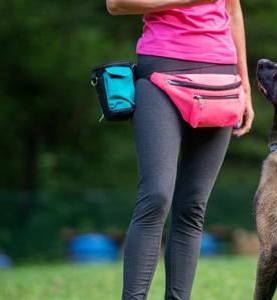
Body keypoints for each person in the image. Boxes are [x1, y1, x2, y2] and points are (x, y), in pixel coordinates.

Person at [105, 0, 254, 299]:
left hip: (220, 77)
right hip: (160, 70)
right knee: (157, 196)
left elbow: (233, 10)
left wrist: (245, 85)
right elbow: (116, 4)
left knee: (193, 206)